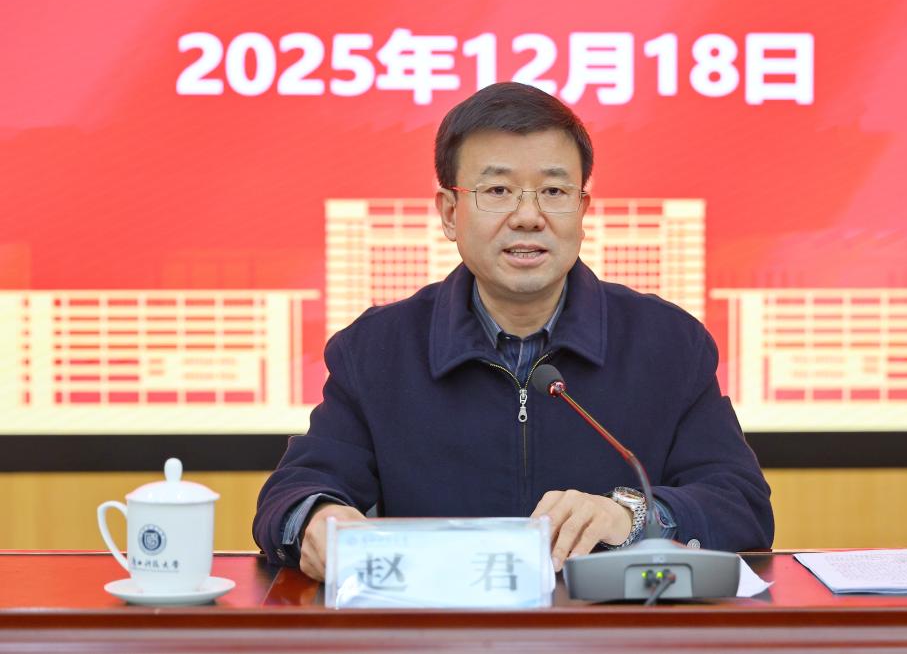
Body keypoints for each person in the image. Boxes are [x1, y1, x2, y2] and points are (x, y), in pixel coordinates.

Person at [253, 82, 773, 582]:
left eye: (554, 191)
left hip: (609, 628)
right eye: (498, 190)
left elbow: (741, 505)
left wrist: (633, 516)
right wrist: (317, 519)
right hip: (438, 627)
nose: (528, 217)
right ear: (449, 212)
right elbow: (293, 494)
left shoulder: (669, 344)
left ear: (582, 211)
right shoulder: (376, 350)